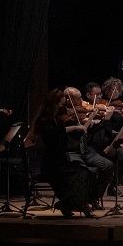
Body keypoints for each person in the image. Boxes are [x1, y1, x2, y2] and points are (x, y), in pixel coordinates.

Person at [29, 89, 98, 218]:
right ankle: (78, 205)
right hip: (51, 164)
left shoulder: (55, 119)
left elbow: (67, 131)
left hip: (60, 161)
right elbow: (55, 133)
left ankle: (68, 204)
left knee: (86, 173)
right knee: (80, 174)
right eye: (60, 105)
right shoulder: (45, 121)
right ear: (53, 105)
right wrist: (75, 127)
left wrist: (87, 120)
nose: (62, 108)